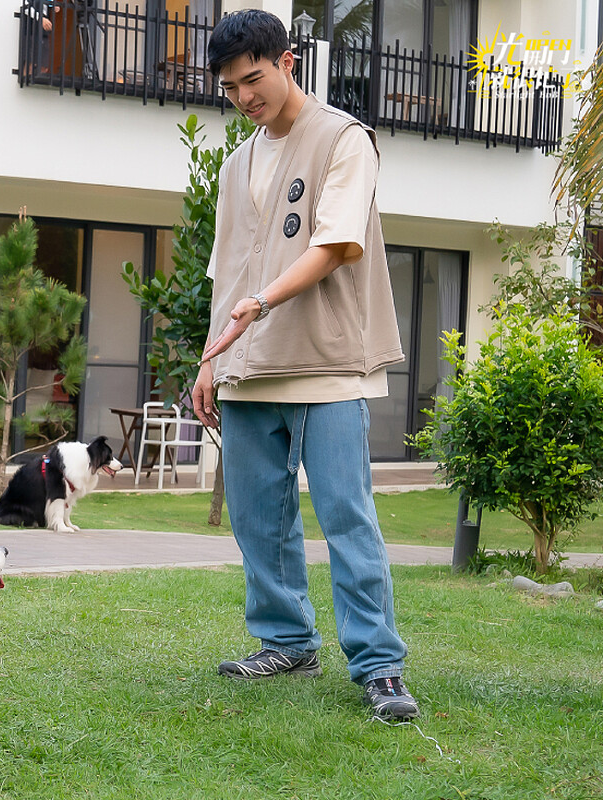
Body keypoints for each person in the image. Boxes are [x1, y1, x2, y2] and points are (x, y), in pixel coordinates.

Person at [190, 10, 417, 721]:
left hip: (327, 364)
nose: (243, 97)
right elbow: (224, 276)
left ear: (288, 62)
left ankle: (379, 667)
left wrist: (260, 302)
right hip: (247, 369)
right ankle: (287, 641)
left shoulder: (344, 139)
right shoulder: (235, 164)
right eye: (229, 88)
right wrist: (207, 363)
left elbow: (334, 245)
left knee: (346, 516)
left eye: (252, 79)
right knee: (260, 519)